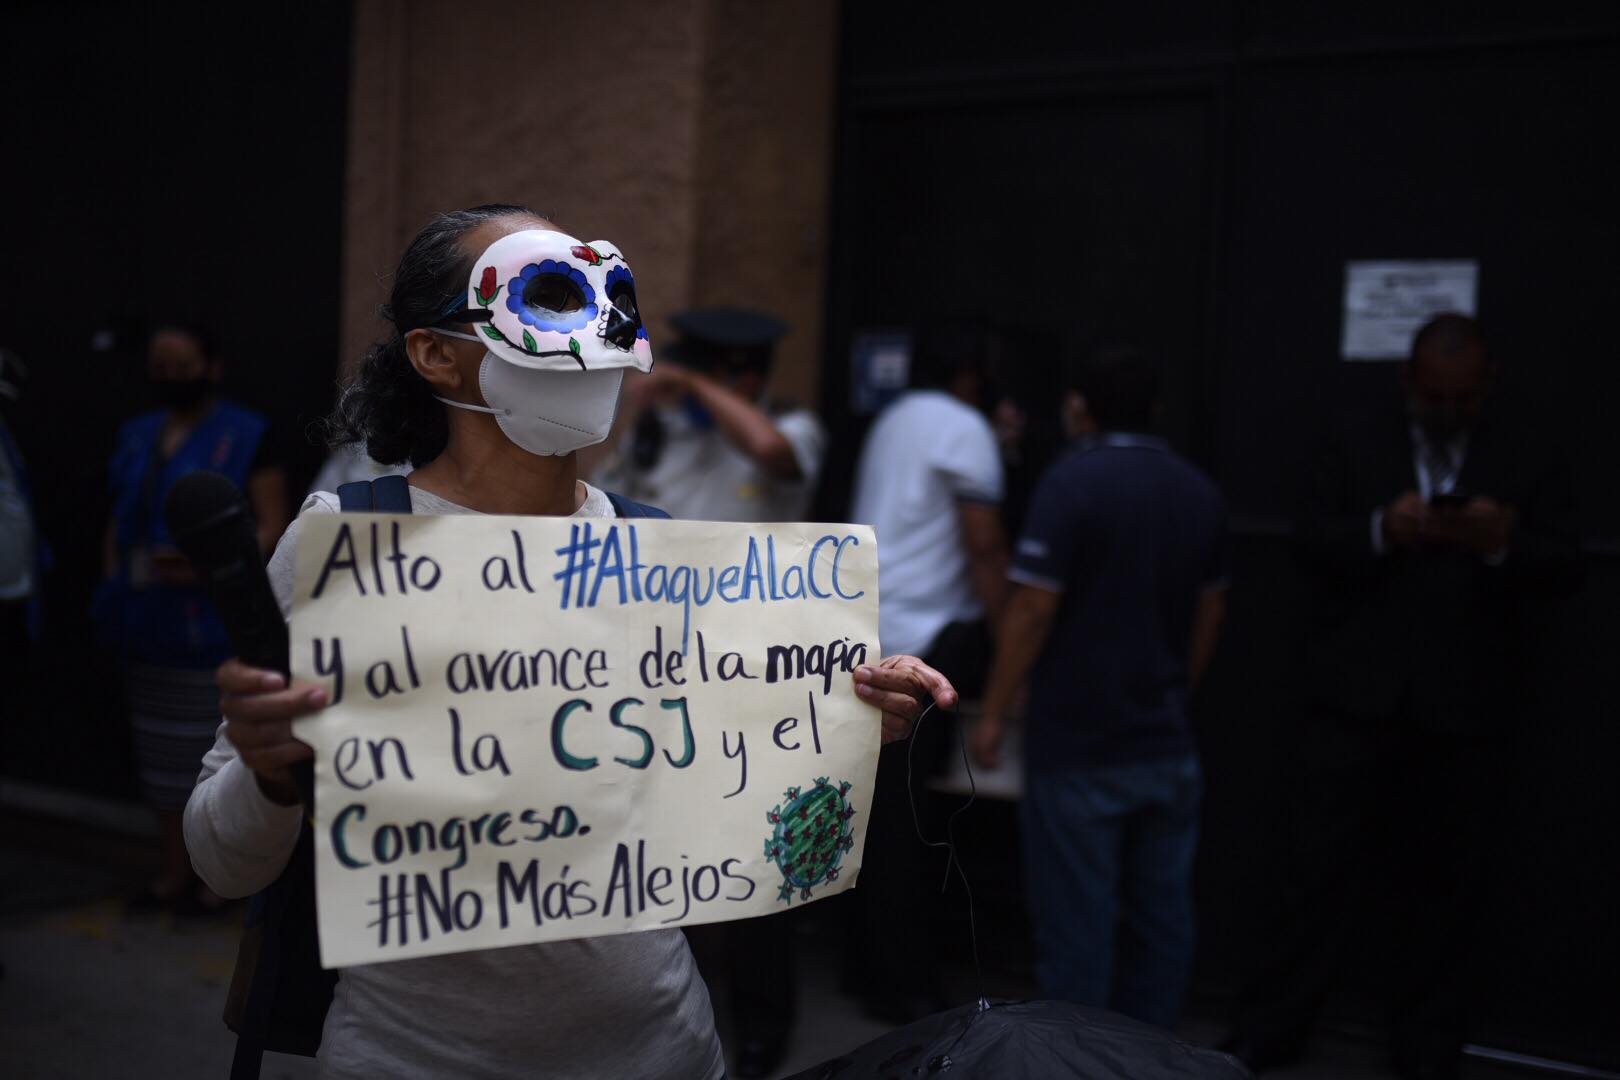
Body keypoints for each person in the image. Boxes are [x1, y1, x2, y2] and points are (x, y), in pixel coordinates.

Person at [183, 204, 958, 1079]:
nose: (590, 330)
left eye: (607, 295)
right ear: (436, 352)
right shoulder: (347, 550)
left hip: (667, 1051)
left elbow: (722, 774)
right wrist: (271, 774)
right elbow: (224, 857)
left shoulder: (656, 550)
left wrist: (839, 719)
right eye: (548, 294)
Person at [1223, 314, 1579, 1078]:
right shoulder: (1356, 434)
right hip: (1354, 698)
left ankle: (1427, 1049)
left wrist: (1501, 542)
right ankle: (1271, 1029)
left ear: (1487, 388)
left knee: (1447, 891)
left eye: (1462, 399)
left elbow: (1566, 562)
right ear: (1408, 384)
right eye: (1435, 397)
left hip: (1466, 706)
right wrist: (1383, 529)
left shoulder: (1525, 445)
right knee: (1309, 877)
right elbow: (1308, 539)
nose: (1448, 413)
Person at [595, 306, 826, 1077]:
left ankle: (763, 1037)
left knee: (761, 862)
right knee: (672, 857)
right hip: (665, 674)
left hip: (758, 681)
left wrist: (695, 382)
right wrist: (642, 411)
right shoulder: (669, 436)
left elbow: (773, 452)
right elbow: (603, 512)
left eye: (708, 373)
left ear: (745, 376)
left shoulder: (789, 428)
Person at [972, 347, 1227, 1029]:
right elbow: (1210, 613)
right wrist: (1176, 690)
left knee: (1077, 934)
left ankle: (1079, 1065)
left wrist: (994, 713)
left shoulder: (1072, 484)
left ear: (1079, 406)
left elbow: (1032, 610)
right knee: (1162, 925)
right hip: (1166, 743)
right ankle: (1152, 1063)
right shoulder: (1197, 490)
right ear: (1155, 410)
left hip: (1080, 746)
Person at [844, 323, 1010, 1022]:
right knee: (913, 826)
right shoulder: (964, 426)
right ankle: (906, 987)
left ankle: (869, 967)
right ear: (971, 377)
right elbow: (982, 542)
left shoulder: (893, 421)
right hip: (929, 639)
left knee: (881, 815)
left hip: (874, 627)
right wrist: (1010, 645)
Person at [97, 323, 287, 914]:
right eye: (161, 367)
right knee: (156, 758)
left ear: (212, 367)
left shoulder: (248, 434)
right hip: (143, 618)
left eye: (183, 367)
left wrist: (215, 564)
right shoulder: (137, 435)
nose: (171, 379)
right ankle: (171, 874)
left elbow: (270, 523)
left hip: (211, 625)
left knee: (209, 755)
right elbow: (116, 518)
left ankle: (217, 880)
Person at [593, 306, 825, 523]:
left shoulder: (793, 425)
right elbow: (606, 504)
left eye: (707, 380)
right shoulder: (664, 426)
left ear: (750, 380)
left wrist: (693, 381)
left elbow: (769, 448)